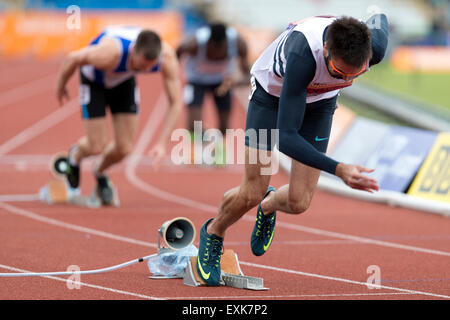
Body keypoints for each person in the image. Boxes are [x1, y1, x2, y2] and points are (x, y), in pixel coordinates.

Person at [195, 14, 389, 285]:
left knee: (299, 202)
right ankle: (214, 232)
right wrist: (338, 168)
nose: (344, 77)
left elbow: (379, 16)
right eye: (338, 71)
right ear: (325, 50)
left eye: (352, 75)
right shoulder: (302, 54)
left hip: (321, 102)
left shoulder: (372, 49)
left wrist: (364, 19)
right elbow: (287, 138)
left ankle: (269, 205)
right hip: (271, 96)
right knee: (252, 191)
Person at [55, 26, 182, 205]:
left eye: (150, 67)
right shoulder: (109, 53)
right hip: (94, 82)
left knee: (124, 148)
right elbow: (73, 58)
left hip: (123, 81)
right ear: (134, 51)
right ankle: (75, 155)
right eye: (142, 65)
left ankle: (99, 170)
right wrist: (61, 84)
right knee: (96, 145)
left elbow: (175, 102)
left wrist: (162, 143)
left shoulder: (167, 58)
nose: (145, 70)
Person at [176, 22, 250, 163]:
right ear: (208, 43)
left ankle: (219, 153)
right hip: (196, 81)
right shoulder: (195, 43)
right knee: (193, 123)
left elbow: (248, 74)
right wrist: (176, 74)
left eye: (221, 49)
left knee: (224, 123)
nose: (217, 53)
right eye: (214, 49)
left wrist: (237, 81)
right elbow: (178, 52)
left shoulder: (239, 44)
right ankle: (194, 151)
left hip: (221, 82)